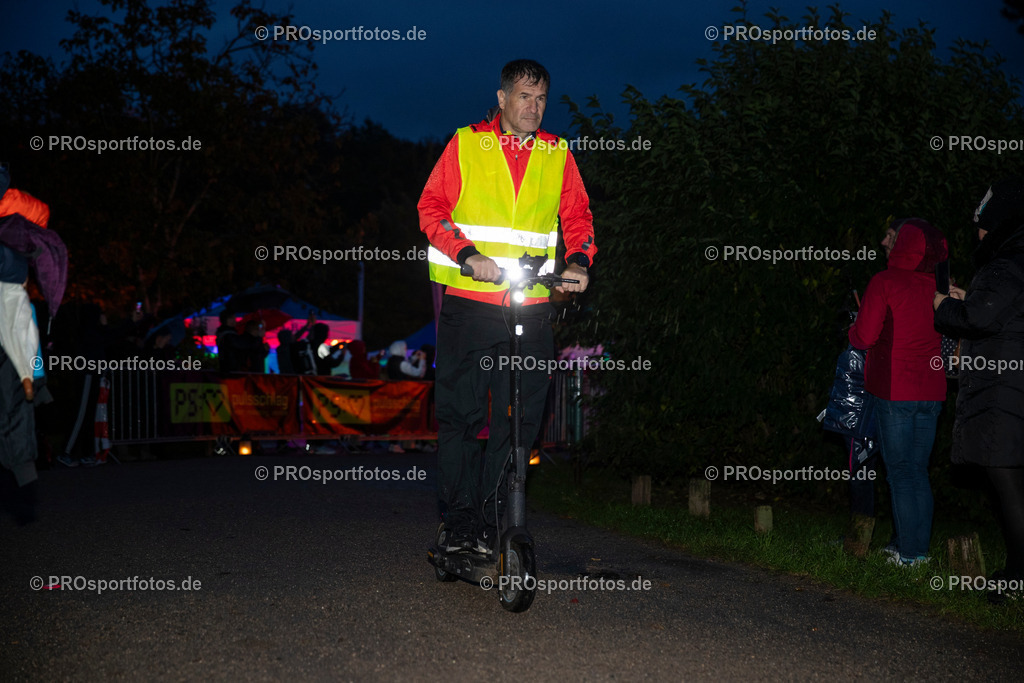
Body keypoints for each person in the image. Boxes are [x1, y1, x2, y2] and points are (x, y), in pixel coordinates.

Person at [418, 59, 596, 554]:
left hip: (532, 306)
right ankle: (458, 523)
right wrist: (467, 254)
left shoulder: (557, 153)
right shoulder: (467, 144)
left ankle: (497, 518)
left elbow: (578, 214)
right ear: (501, 99)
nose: (532, 108)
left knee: (520, 422)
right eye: (523, 97)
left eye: (540, 99)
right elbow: (430, 207)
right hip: (470, 307)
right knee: (460, 417)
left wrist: (579, 259)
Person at [934, 177, 1024, 602]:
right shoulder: (1014, 263)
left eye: (984, 225)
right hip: (1009, 388)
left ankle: (1018, 579)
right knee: (1007, 480)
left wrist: (945, 307)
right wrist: (969, 299)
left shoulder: (1008, 263)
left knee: (1006, 481)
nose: (979, 233)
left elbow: (981, 320)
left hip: (1005, 392)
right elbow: (1000, 314)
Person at [849, 218, 948, 567]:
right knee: (918, 471)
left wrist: (853, 323)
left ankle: (910, 555)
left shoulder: (885, 282)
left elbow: (863, 337)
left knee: (901, 473)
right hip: (933, 391)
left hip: (895, 390)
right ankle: (915, 549)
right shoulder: (940, 285)